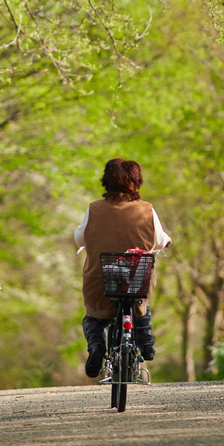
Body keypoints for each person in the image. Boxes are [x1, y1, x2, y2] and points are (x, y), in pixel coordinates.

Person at [74, 157, 171, 378]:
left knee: (94, 317)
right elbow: (157, 239)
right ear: (136, 181)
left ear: (106, 181)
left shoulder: (94, 209)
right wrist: (166, 240)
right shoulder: (147, 210)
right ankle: (146, 343)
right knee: (141, 306)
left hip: (101, 276)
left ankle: (97, 345)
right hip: (136, 276)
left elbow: (80, 237)